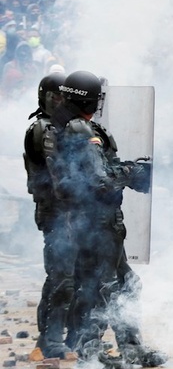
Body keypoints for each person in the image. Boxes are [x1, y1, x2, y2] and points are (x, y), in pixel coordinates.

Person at [46, 71, 162, 367]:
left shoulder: (76, 127)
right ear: (89, 99)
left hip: (99, 222)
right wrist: (131, 174)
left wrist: (130, 170)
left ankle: (129, 348)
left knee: (124, 286)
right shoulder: (81, 130)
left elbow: (101, 168)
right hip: (96, 222)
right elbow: (99, 181)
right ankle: (91, 352)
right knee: (101, 289)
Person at [23, 73, 73, 359]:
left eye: (63, 97)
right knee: (61, 277)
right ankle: (50, 338)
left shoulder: (63, 127)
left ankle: (56, 335)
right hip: (53, 212)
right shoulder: (41, 129)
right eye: (55, 96)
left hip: (69, 213)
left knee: (65, 276)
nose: (59, 101)